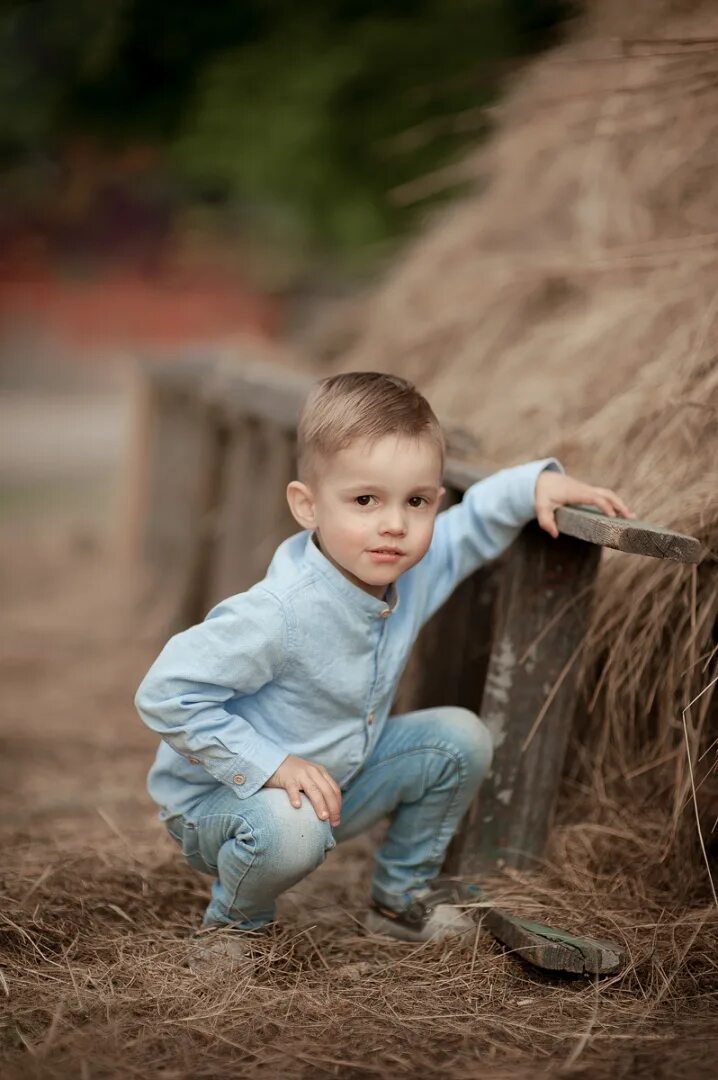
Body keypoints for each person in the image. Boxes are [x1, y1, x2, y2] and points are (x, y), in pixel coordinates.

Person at [134, 371, 632, 966]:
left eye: (416, 501)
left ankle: (399, 903)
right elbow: (166, 692)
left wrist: (536, 483)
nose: (394, 524)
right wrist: (271, 765)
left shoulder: (407, 567)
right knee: (291, 828)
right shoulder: (278, 613)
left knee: (458, 739)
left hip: (331, 785)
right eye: (365, 500)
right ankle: (236, 925)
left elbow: (473, 526)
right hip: (222, 805)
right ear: (307, 505)